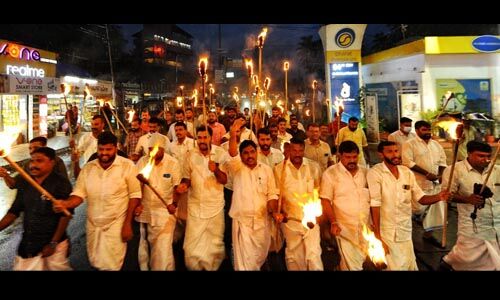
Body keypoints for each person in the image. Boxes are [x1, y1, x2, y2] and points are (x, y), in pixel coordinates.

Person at [53, 132, 142, 270]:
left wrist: (127, 224)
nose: (104, 153)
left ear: (116, 148)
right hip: (93, 226)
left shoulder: (128, 166)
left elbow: (135, 195)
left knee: (112, 266)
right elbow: (79, 194)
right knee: (96, 263)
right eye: (101, 149)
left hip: (115, 225)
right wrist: (66, 204)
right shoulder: (88, 169)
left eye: (108, 149)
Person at [367, 141, 450, 270]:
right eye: (389, 152)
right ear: (381, 155)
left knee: (409, 265)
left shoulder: (406, 172)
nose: (395, 155)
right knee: (394, 267)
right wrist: (377, 236)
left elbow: (421, 198)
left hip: (405, 229)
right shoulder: (375, 173)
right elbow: (375, 204)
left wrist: (439, 196)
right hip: (387, 231)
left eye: (396, 151)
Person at [0, 147, 72, 270]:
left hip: (55, 246)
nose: (33, 165)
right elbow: (14, 212)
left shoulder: (61, 183)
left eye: (39, 161)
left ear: (52, 162)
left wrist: (53, 243)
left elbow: (65, 216)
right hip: (29, 244)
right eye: (32, 161)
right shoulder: (25, 181)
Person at [227, 121, 279, 270]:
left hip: (263, 222)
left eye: (252, 152)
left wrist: (274, 211)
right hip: (243, 223)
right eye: (245, 153)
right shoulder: (237, 168)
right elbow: (232, 152)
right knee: (245, 264)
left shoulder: (266, 170)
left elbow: (271, 195)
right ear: (241, 155)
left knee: (259, 258)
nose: (249, 156)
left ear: (256, 152)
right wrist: (233, 134)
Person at [175, 125, 229, 270]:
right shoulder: (190, 155)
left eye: (205, 137)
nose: (202, 140)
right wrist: (183, 186)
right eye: (199, 137)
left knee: (213, 248)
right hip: (195, 207)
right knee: (191, 249)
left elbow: (224, 180)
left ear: (211, 138)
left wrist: (216, 169)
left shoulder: (220, 153)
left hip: (215, 208)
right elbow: (186, 179)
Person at [441, 141, 500, 270]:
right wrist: (468, 199)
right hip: (473, 224)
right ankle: (447, 264)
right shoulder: (453, 170)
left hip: (497, 222)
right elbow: (446, 195)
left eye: (488, 156)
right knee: (465, 258)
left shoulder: (496, 169)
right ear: (469, 154)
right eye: (481, 156)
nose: (486, 160)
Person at [270, 138, 323, 270]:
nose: (298, 154)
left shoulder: (314, 167)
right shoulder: (278, 170)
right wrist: (279, 212)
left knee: (314, 256)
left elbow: (319, 192)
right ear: (288, 150)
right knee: (295, 258)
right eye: (294, 150)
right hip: (290, 221)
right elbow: (276, 195)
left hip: (311, 221)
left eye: (300, 150)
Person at [320, 141, 370, 270]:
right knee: (352, 266)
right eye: (348, 157)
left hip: (364, 228)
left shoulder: (366, 173)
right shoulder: (331, 174)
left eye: (354, 157)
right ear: (339, 156)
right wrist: (333, 222)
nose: (352, 160)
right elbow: (325, 200)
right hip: (344, 229)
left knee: (360, 260)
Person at [135, 133, 181, 270]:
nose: (152, 153)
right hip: (146, 210)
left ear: (163, 149)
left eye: (155, 150)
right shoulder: (143, 162)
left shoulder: (173, 163)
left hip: (165, 211)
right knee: (147, 244)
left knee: (162, 247)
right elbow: (137, 186)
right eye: (149, 150)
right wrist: (137, 204)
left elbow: (176, 187)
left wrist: (174, 204)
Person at [402, 120, 447, 247]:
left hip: (435, 185)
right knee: (415, 210)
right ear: (417, 131)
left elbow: (443, 162)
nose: (428, 132)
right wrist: (427, 174)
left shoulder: (436, 145)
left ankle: (428, 235)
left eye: (429, 130)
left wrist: (440, 175)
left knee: (435, 211)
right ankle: (408, 237)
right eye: (424, 130)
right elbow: (408, 162)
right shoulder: (409, 144)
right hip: (418, 184)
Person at [0, 136, 68, 189]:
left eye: (36, 148)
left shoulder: (56, 162)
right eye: (30, 148)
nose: (31, 151)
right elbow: (14, 185)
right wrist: (5, 176)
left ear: (45, 147)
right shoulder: (28, 164)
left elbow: (64, 186)